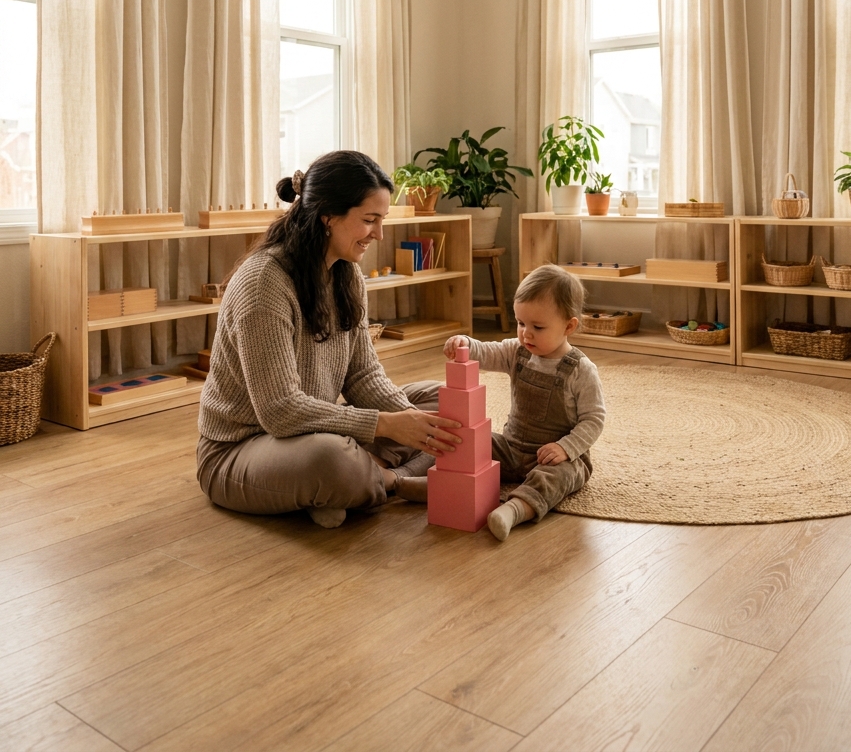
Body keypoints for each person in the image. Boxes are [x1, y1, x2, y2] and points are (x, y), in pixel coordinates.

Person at [196, 151, 463, 528]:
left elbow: (363, 376)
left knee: (445, 403)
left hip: (315, 427)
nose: (379, 234)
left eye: (381, 220)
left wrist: (412, 420)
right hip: (242, 448)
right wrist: (387, 426)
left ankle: (357, 479)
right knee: (330, 458)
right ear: (328, 217)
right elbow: (280, 411)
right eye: (369, 220)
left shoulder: (346, 274)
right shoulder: (263, 284)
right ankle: (393, 482)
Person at [399, 264, 606, 541]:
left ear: (569, 326)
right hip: (511, 447)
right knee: (466, 442)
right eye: (521, 323)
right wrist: (465, 344)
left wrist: (566, 448)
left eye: (538, 327)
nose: (526, 334)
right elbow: (488, 351)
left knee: (557, 477)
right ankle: (440, 484)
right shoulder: (517, 352)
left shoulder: (581, 370)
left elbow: (594, 419)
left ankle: (514, 509)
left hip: (554, 456)